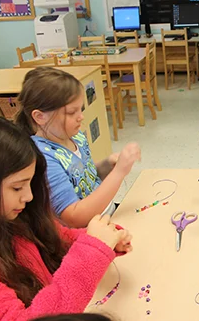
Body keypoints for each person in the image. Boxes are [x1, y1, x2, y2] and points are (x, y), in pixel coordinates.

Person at [0, 116, 132, 320]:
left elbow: (60, 237)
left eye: (29, 184)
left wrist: (105, 240)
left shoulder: (11, 219)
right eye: (16, 187)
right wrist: (92, 249)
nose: (29, 196)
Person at [16, 67, 141, 228]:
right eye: (71, 112)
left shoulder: (76, 137)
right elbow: (74, 217)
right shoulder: (43, 158)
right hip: (87, 234)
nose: (81, 117)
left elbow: (81, 177)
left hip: (107, 214)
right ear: (40, 117)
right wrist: (119, 173)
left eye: (80, 109)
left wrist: (106, 165)